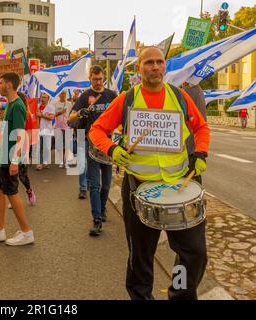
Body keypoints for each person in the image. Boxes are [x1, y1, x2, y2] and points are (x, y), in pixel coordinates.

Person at [89, 46, 210, 300]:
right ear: (138, 68)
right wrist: (112, 150)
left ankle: (179, 293)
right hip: (138, 190)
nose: (155, 67)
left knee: (193, 252)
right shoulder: (127, 99)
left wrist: (200, 154)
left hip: (179, 189)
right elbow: (97, 130)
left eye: (160, 62)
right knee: (140, 258)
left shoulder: (179, 96)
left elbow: (201, 128)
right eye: (149, 63)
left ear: (165, 66)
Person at [0, 72, 34, 246]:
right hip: (3, 155)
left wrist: (15, 161)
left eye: (0, 83)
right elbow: (2, 128)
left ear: (9, 85)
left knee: (12, 193)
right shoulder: (9, 104)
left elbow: (20, 134)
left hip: (10, 156)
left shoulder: (18, 105)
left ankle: (27, 232)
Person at [69, 65, 117, 236]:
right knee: (95, 186)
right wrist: (80, 112)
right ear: (90, 78)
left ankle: (102, 208)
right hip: (91, 145)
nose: (97, 82)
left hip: (109, 147)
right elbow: (71, 118)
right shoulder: (84, 96)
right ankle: (96, 220)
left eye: (99, 79)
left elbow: (122, 115)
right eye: (94, 79)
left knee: (106, 185)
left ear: (103, 78)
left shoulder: (111, 96)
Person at [53, 90, 73, 168]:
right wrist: (61, 112)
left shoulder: (69, 104)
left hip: (67, 127)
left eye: (64, 93)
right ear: (59, 95)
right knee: (59, 145)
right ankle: (61, 161)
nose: (63, 95)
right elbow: (53, 115)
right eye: (61, 93)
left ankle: (66, 162)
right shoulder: (55, 104)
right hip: (58, 126)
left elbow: (72, 114)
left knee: (67, 145)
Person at [36, 93, 55, 171]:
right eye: (42, 97)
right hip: (38, 129)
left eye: (44, 97)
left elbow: (51, 118)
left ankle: (45, 161)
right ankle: (39, 163)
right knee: (38, 147)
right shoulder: (37, 106)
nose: (43, 99)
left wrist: (41, 115)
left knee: (47, 147)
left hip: (47, 129)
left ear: (48, 98)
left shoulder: (51, 107)